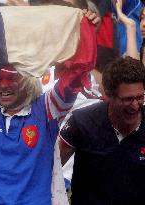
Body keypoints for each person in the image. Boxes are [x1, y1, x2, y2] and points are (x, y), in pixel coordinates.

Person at [59, 56, 145, 205]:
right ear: (108, 95)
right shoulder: (82, 122)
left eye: (140, 97)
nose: (135, 106)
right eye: (127, 99)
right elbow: (51, 167)